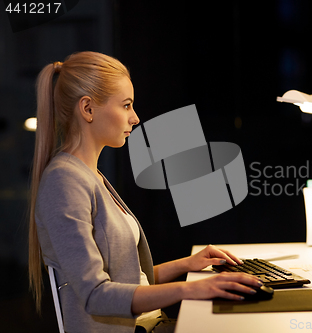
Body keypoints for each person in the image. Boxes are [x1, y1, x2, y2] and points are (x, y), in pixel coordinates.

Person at [28, 51, 261, 333]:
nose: (135, 118)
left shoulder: (90, 177)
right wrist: (191, 289)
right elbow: (95, 294)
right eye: (126, 106)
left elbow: (129, 279)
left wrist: (187, 265)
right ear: (88, 109)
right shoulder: (64, 182)